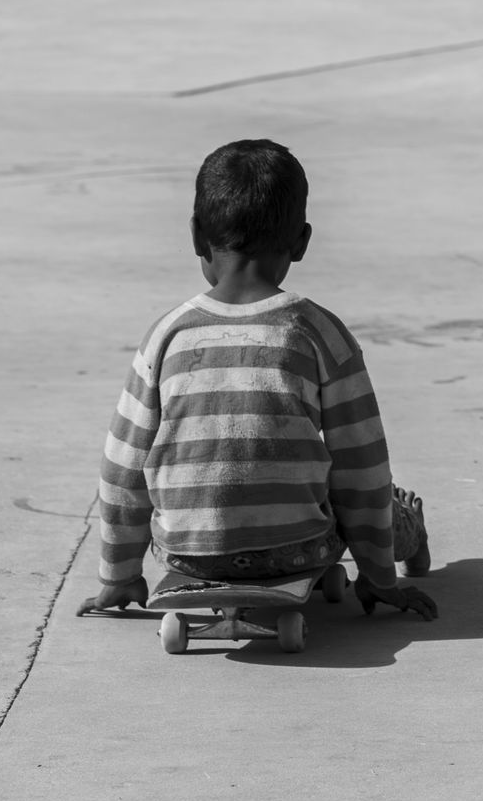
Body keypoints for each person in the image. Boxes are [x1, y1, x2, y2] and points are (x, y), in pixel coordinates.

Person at [78, 140, 437, 621]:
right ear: (303, 240)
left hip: (188, 556)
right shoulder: (319, 333)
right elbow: (361, 466)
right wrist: (377, 578)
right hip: (300, 549)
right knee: (375, 497)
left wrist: (118, 577)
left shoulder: (165, 336)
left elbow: (122, 472)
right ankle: (411, 526)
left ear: (195, 237)